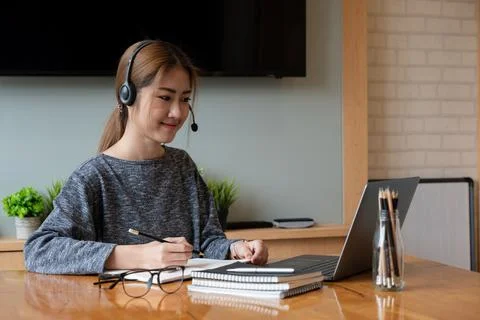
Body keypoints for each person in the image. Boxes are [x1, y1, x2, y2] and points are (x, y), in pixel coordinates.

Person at [24, 39, 268, 274]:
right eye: (165, 97)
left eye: (185, 99)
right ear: (127, 95)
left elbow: (209, 240)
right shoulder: (94, 176)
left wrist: (236, 249)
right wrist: (140, 256)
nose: (178, 112)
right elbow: (39, 250)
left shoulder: (182, 166)